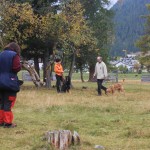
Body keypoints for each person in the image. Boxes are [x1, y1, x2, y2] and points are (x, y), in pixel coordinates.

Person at [0, 42, 21, 128]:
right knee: (8, 102)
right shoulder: (14, 55)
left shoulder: (1, 54)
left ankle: (0, 121)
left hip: (0, 82)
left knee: (1, 102)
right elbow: (16, 68)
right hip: (10, 82)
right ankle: (8, 123)